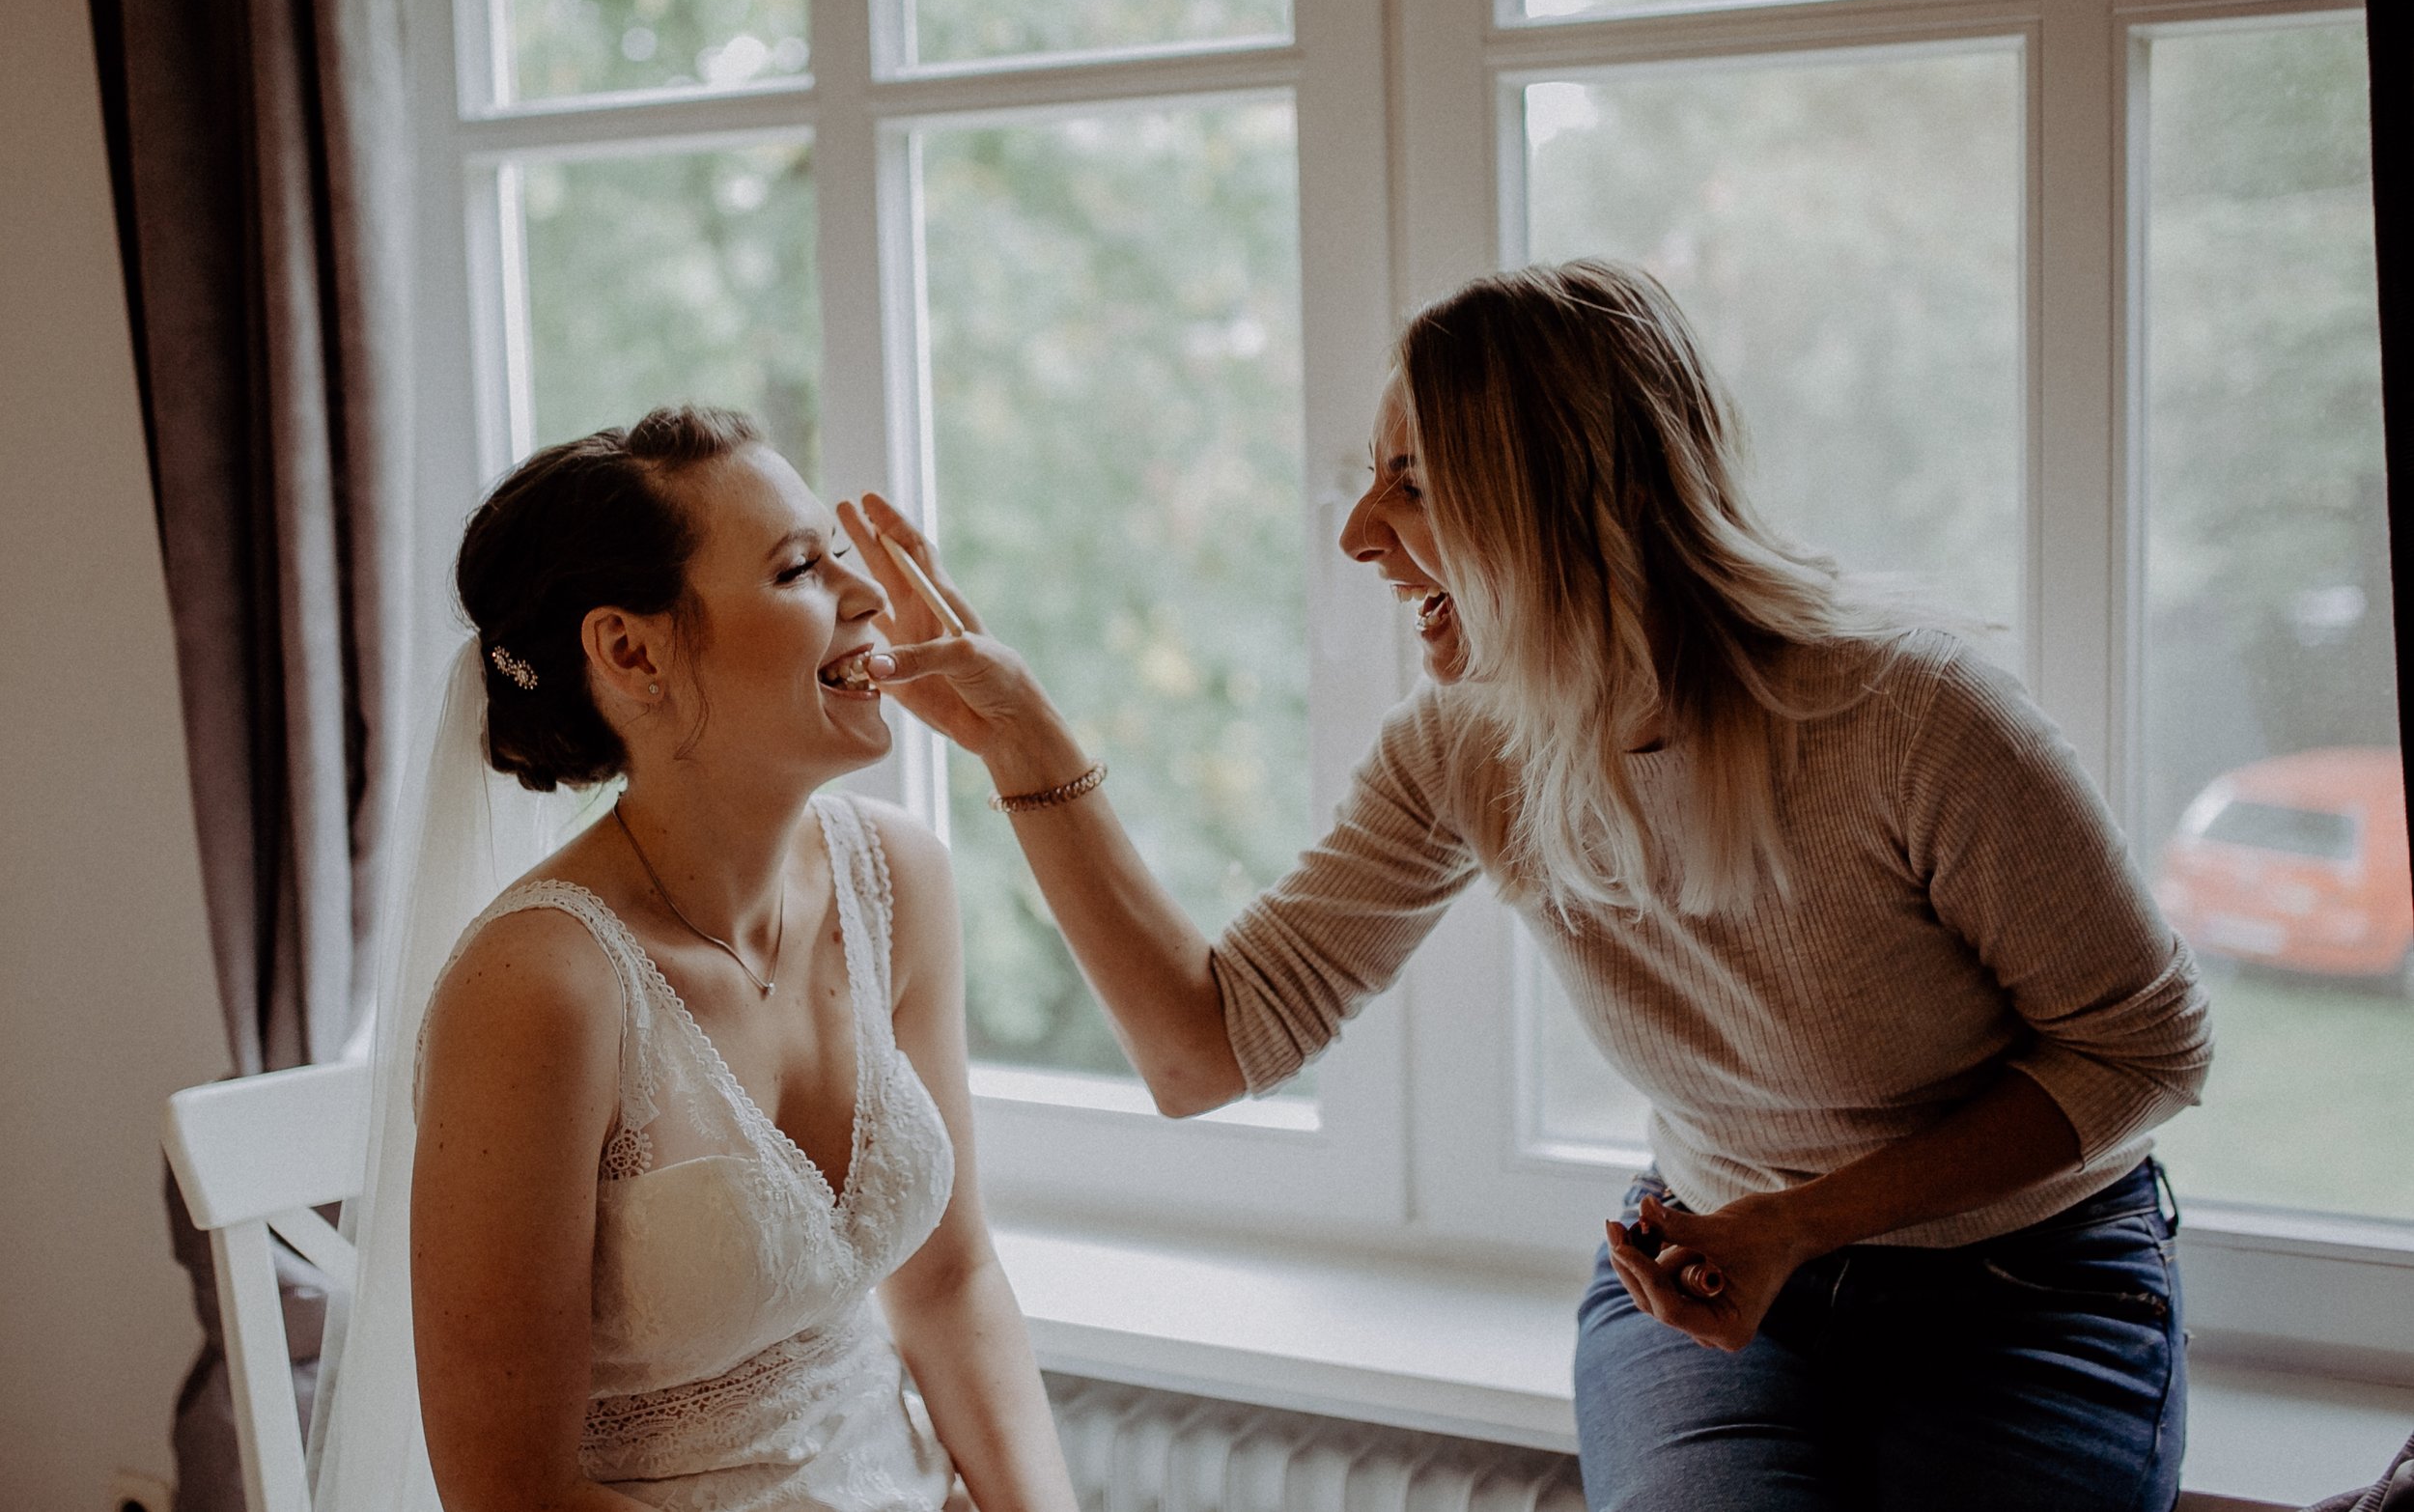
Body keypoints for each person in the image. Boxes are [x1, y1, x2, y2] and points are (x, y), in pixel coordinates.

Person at [838, 259, 2214, 1511]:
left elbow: (2146, 1042)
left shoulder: (1912, 715)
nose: (1360, 534)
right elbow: (1208, 1046)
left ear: (1575, 501)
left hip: (2028, 1286)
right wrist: (1031, 743)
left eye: (1415, 483)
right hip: (1725, 1302)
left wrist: (1801, 1218)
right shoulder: (1468, 746)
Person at [396, 407, 1077, 1512]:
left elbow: (949, 1284)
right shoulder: (542, 988)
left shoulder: (898, 879)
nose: (866, 597)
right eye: (802, 569)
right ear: (630, 650)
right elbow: (507, 1490)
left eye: (840, 555)